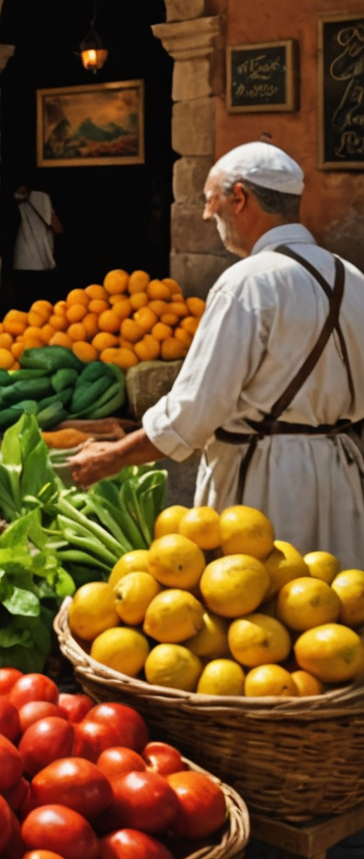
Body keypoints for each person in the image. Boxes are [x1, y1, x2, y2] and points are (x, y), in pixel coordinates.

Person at [69, 141, 364, 566]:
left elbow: (196, 409)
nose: (209, 216)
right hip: (343, 477)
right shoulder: (350, 274)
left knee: (263, 612)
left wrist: (114, 456)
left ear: (239, 197)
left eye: (211, 201)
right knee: (336, 608)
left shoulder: (246, 282)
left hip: (268, 486)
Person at [12, 182, 62, 299]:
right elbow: (57, 228)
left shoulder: (19, 200)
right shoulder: (41, 197)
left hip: (22, 261)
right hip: (38, 263)